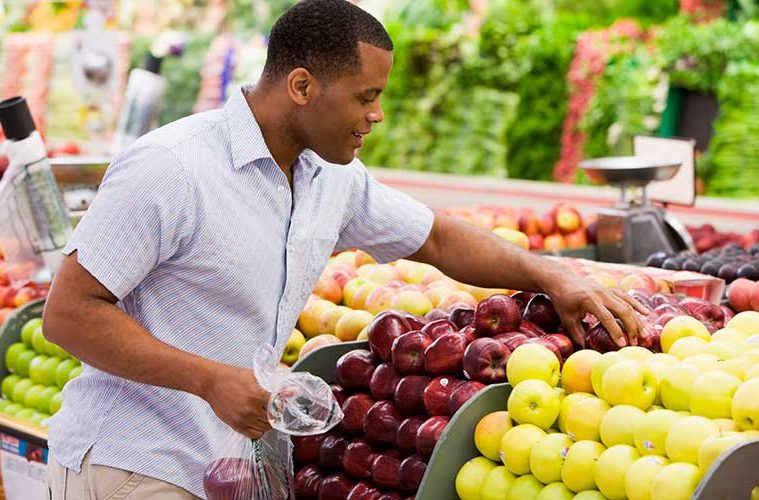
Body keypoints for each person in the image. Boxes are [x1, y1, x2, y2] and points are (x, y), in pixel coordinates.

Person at [42, 0, 646, 498]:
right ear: (302, 86)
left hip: (228, 470)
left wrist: (551, 276)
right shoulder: (172, 167)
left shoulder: (328, 177)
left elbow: (435, 237)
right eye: (365, 96)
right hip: (134, 465)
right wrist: (210, 382)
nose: (377, 114)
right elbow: (68, 315)